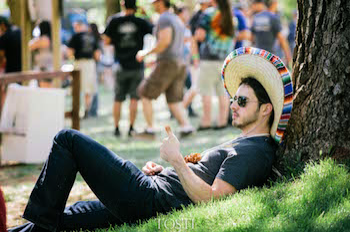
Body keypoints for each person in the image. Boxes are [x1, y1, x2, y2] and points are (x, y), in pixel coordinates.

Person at [8, 47, 293, 232]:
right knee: (63, 219)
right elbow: (200, 180)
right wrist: (165, 169)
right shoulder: (243, 143)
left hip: (149, 198)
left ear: (266, 108)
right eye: (233, 98)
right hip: (151, 189)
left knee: (67, 139)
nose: (233, 105)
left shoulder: (256, 151)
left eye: (242, 100)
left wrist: (176, 160)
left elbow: (214, 200)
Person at [136, 0, 194, 139]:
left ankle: (150, 130)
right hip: (180, 62)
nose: (152, 5)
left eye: (154, 2)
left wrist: (145, 53)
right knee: (174, 99)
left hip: (168, 62)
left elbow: (165, 41)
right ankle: (186, 127)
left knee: (144, 92)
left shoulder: (164, 18)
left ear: (161, 2)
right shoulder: (175, 18)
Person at [104, 0, 153, 137]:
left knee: (118, 99)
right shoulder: (140, 21)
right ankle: (131, 127)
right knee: (134, 99)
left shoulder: (114, 21)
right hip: (137, 65)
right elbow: (154, 29)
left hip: (120, 64)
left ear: (122, 4)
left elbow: (106, 41)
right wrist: (145, 13)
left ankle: (116, 128)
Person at [194, 0, 234, 131]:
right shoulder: (231, 16)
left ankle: (206, 122)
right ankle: (222, 122)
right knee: (222, 93)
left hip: (208, 59)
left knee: (206, 92)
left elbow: (200, 35)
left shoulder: (208, 14)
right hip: (225, 59)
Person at [67, 20, 101, 119]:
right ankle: (86, 110)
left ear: (78, 26)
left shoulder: (75, 37)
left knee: (76, 88)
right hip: (90, 64)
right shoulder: (92, 37)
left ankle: (76, 110)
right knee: (88, 89)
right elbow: (97, 55)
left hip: (79, 63)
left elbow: (69, 53)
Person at [250, 0, 292, 65]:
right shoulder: (273, 17)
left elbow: (251, 38)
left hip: (257, 55)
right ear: (273, 4)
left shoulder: (256, 17)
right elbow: (282, 39)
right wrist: (288, 57)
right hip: (270, 56)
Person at [29, 21, 54, 88]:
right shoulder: (53, 38)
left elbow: (29, 46)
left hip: (44, 68)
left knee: (44, 88)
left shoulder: (43, 39)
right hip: (51, 67)